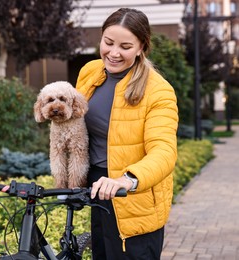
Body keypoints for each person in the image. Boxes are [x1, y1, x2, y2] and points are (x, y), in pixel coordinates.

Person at [75, 8, 179, 259]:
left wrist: (127, 180)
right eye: (108, 43)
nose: (113, 53)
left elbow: (164, 152)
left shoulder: (158, 91)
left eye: (125, 46)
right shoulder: (90, 72)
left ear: (141, 47)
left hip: (132, 194)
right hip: (98, 189)